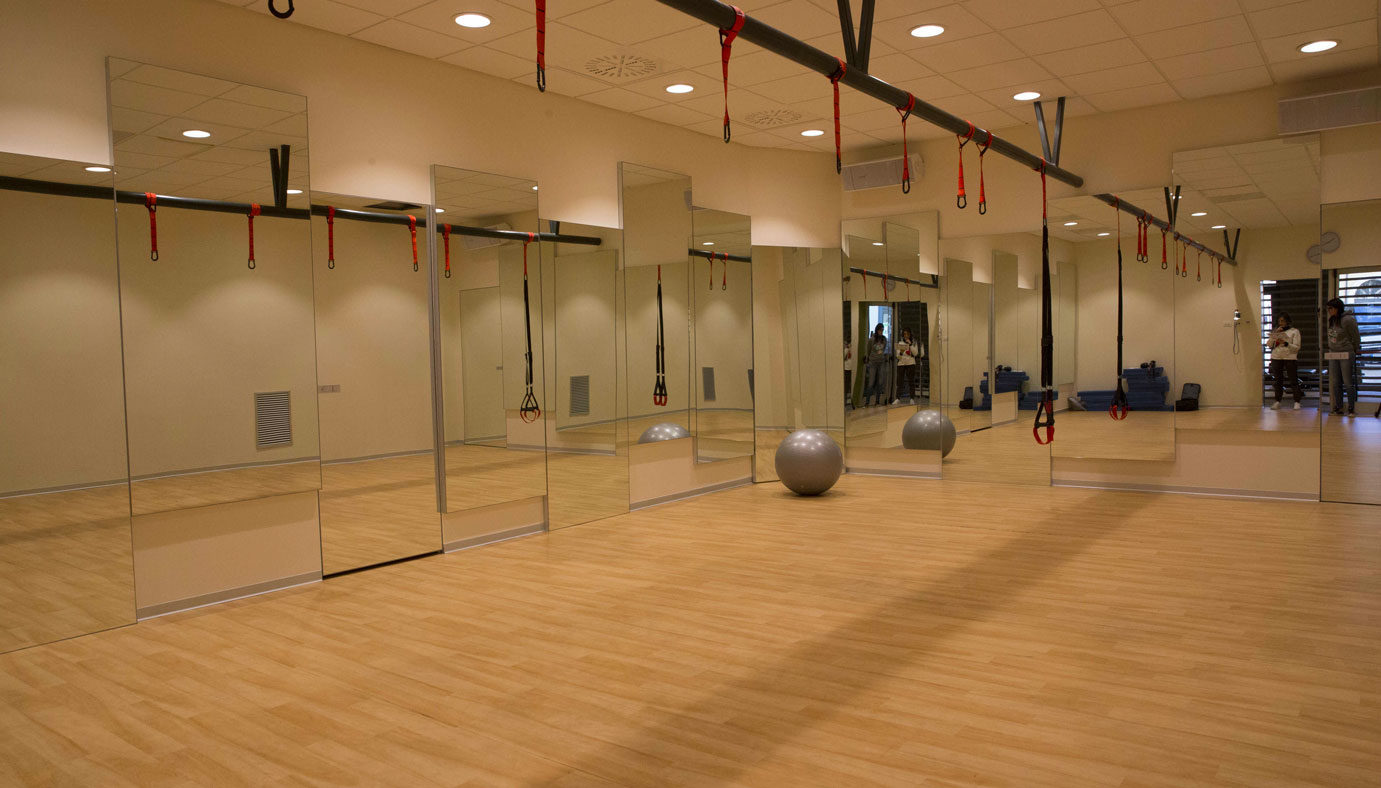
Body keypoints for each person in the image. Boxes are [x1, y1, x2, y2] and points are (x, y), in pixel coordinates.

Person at [1326, 297, 1361, 416]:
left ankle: (1351, 407)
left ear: (1338, 308)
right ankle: (1339, 407)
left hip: (1346, 352)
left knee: (1348, 382)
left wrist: (1354, 349)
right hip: (1333, 353)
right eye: (1328, 308)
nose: (1329, 311)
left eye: (1331, 308)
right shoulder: (1332, 320)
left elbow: (1356, 336)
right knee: (1336, 382)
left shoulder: (1348, 319)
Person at [1267, 311, 1303, 410]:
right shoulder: (1276, 331)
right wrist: (1275, 335)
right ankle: (1277, 401)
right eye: (1279, 321)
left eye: (1282, 321)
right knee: (1278, 380)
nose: (1281, 323)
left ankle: (1297, 401)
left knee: (1293, 379)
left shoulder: (1294, 331)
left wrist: (1286, 343)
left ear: (1287, 321)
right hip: (1276, 357)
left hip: (1289, 357)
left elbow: (1297, 347)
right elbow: (1269, 345)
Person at [863, 323, 889, 406]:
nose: (881, 331)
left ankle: (877, 401)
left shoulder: (884, 339)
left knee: (880, 382)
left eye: (882, 330)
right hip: (873, 362)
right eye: (880, 330)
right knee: (871, 382)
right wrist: (868, 358)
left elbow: (883, 349)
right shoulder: (872, 339)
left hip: (881, 362)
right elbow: (868, 349)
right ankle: (867, 402)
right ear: (877, 330)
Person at [894, 328, 919, 404]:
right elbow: (897, 356)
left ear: (910, 334)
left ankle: (912, 398)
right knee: (899, 382)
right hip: (901, 363)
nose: (906, 336)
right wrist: (901, 352)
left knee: (911, 381)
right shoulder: (900, 343)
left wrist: (910, 345)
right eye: (904, 334)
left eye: (907, 334)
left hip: (910, 363)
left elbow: (915, 353)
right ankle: (897, 398)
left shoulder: (914, 342)